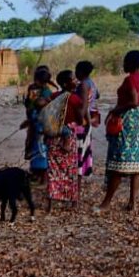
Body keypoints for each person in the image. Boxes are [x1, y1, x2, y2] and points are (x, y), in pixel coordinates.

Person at [97, 50, 139, 213]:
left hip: (125, 120)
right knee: (135, 162)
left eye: (125, 61)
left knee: (118, 162)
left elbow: (134, 101)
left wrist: (115, 110)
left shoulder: (129, 80)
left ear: (130, 63)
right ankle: (132, 203)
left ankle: (106, 203)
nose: (123, 64)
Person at [45, 70, 86, 209]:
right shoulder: (75, 99)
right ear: (65, 83)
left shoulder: (53, 96)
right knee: (70, 170)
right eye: (73, 79)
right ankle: (73, 201)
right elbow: (80, 120)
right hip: (68, 136)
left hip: (53, 137)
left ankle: (51, 201)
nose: (76, 81)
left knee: (53, 170)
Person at [23, 66, 56, 181]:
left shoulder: (47, 93)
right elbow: (30, 104)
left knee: (41, 150)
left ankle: (43, 177)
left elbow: (45, 111)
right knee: (34, 148)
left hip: (41, 125)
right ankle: (36, 173)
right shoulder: (34, 89)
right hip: (34, 123)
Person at [75, 61, 100, 178]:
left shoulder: (83, 85)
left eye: (76, 70)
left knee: (80, 146)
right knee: (85, 146)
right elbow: (97, 96)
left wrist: (81, 121)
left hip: (84, 120)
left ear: (80, 71)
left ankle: (79, 173)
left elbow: (84, 106)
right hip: (89, 118)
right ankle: (83, 171)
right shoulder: (92, 83)